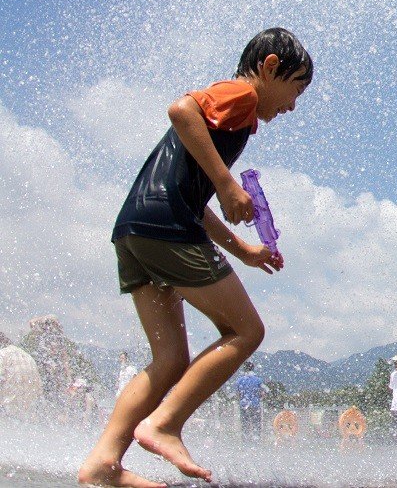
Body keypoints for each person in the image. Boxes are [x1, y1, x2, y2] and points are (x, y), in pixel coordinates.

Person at [79, 27, 311, 488]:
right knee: (246, 330)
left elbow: (191, 197)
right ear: (269, 68)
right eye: (295, 89)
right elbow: (181, 108)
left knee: (168, 359)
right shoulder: (242, 95)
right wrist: (227, 183)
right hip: (167, 229)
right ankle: (163, 426)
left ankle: (103, 464)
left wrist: (242, 248)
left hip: (135, 229)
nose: (291, 106)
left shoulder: (226, 126)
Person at [235, 362, 265, 444]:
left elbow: (238, 395)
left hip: (244, 405)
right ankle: (256, 443)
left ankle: (245, 443)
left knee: (245, 425)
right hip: (255, 405)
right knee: (256, 424)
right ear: (253, 369)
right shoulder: (258, 380)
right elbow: (263, 393)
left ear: (244, 369)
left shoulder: (239, 381)